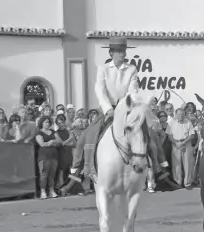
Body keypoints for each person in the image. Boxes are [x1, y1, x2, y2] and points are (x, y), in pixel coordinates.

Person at [69, 37, 169, 183]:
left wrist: (125, 108)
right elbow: (100, 90)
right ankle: (80, 169)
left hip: (126, 108)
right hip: (107, 108)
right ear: (111, 53)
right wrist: (108, 109)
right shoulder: (103, 69)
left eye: (123, 51)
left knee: (149, 133)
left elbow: (133, 90)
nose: (122, 54)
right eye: (118, 51)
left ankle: (159, 166)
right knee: (88, 133)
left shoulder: (131, 69)